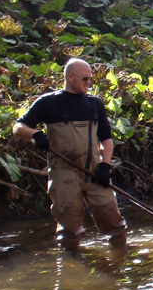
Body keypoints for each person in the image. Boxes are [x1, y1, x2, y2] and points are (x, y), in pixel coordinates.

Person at [13, 58, 127, 249]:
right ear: (70, 76)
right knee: (70, 231)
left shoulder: (95, 104)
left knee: (115, 224)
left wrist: (105, 166)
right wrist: (35, 135)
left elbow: (106, 138)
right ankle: (71, 268)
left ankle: (120, 258)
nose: (88, 82)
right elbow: (18, 127)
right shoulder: (47, 103)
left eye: (90, 79)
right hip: (64, 174)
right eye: (84, 78)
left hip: (95, 172)